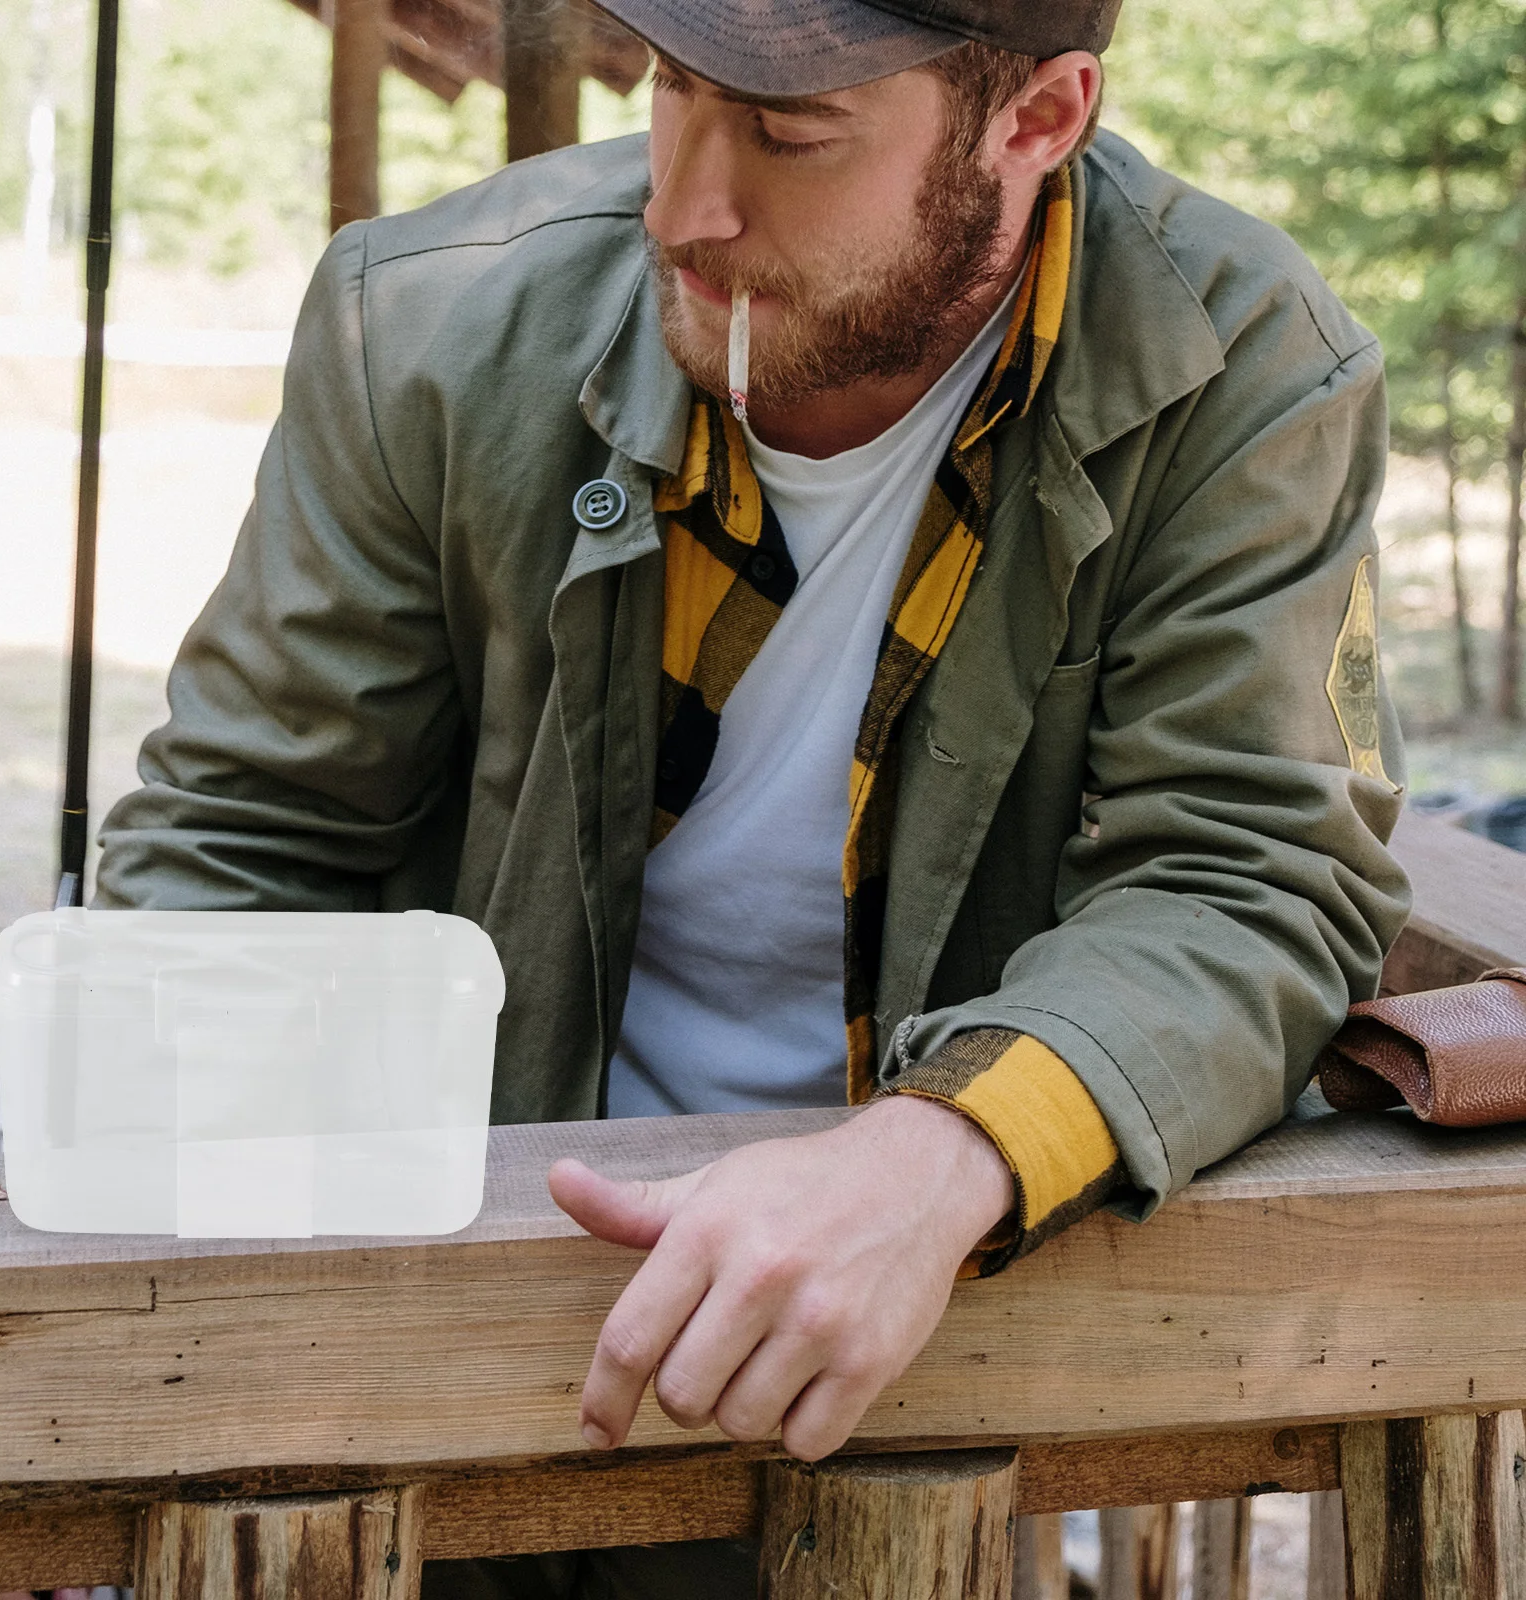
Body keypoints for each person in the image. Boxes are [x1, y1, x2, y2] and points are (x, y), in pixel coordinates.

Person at [93, 0, 1412, 1592]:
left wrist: (940, 1155)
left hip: (913, 1336)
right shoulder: (429, 318)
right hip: (440, 1291)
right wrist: (153, 1346)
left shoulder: (1243, 366)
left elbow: (1249, 875)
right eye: (673, 88)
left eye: (791, 132)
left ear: (1040, 122)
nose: (684, 201)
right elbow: (244, 842)